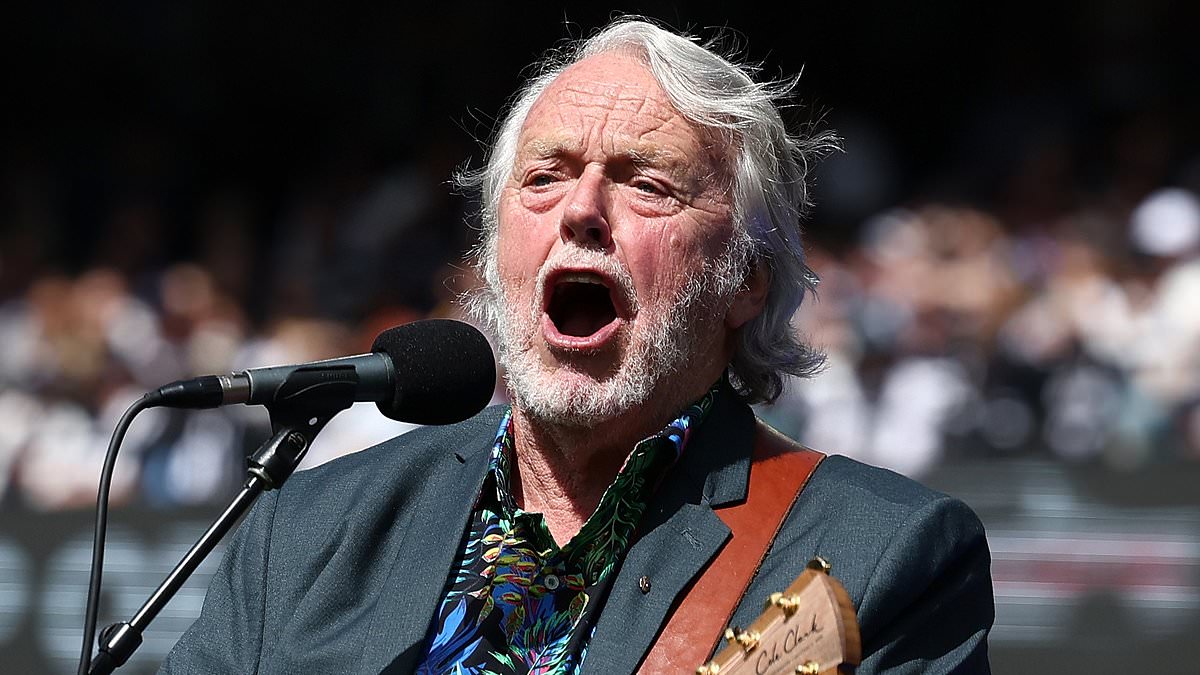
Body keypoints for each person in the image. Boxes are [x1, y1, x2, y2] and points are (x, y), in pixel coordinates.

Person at [161, 18, 992, 674]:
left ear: (745, 279)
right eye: (544, 176)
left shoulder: (875, 558)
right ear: (494, 255)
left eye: (647, 183)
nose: (581, 210)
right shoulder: (304, 532)